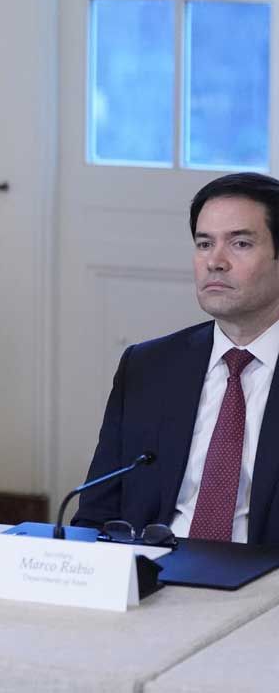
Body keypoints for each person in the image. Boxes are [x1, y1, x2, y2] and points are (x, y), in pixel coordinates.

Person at [74, 172, 279, 544]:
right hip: (155, 568)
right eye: (204, 244)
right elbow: (95, 515)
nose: (215, 262)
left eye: (240, 244)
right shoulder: (147, 367)